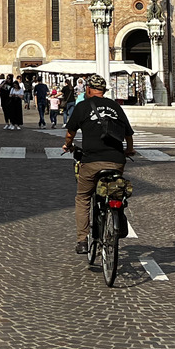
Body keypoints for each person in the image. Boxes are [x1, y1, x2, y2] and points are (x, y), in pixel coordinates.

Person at [61, 73, 134, 255]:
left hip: (91, 160)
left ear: (88, 89)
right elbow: (128, 134)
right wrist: (129, 150)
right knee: (116, 190)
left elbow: (70, 133)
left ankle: (82, 240)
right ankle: (118, 212)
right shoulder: (115, 106)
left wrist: (67, 145)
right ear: (103, 91)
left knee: (83, 197)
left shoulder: (83, 106)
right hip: (116, 160)